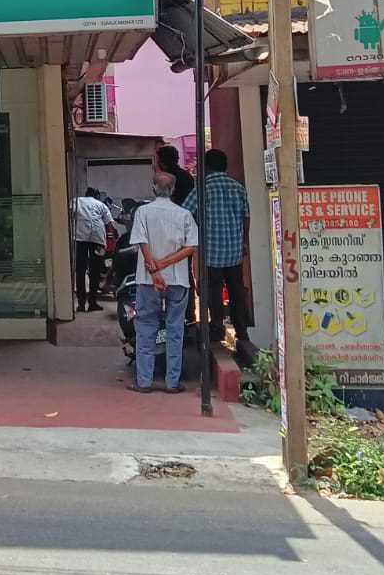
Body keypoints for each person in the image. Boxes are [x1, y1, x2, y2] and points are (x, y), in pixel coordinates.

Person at [183, 148, 257, 364]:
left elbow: (184, 212)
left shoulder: (202, 188)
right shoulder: (237, 187)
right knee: (236, 290)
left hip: (211, 251)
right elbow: (246, 216)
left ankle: (217, 329)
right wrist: (244, 241)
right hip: (234, 249)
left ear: (206, 167)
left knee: (213, 291)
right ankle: (241, 331)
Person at [129, 171, 198, 393]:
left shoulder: (143, 212)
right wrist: (164, 264)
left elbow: (141, 241)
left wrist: (154, 269)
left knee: (146, 327)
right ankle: (172, 382)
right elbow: (191, 247)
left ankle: (144, 381)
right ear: (174, 190)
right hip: (178, 280)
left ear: (153, 188)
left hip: (147, 280)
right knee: (175, 329)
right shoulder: (184, 214)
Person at [71, 187, 114, 312]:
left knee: (80, 271)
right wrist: (109, 241)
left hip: (80, 239)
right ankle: (92, 303)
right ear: (97, 196)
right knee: (95, 271)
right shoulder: (101, 205)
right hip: (97, 240)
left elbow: (68, 214)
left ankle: (80, 304)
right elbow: (110, 225)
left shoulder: (76, 201)